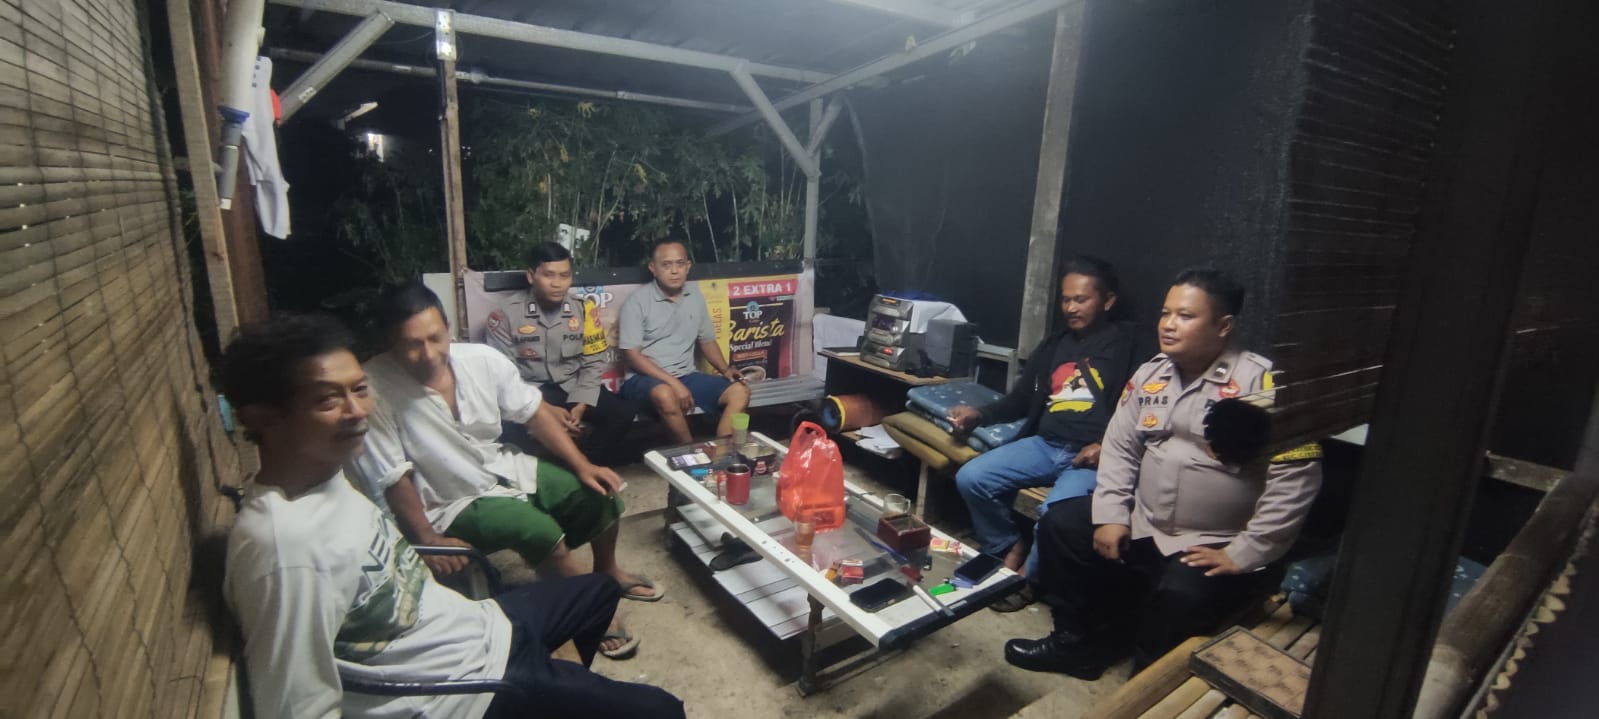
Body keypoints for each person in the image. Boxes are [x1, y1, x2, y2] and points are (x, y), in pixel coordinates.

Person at [219, 314, 684, 719]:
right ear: (263, 418)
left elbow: (531, 412)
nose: (357, 412)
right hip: (463, 689)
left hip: (476, 625)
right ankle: (543, 694)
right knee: (662, 710)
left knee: (599, 591)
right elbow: (297, 704)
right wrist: (427, 533)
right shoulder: (285, 548)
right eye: (327, 400)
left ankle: (556, 694)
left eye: (359, 390)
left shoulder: (325, 475)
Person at [1004, 268, 1323, 678]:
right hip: (1145, 520)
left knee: (1182, 594)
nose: (1168, 325)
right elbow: (1119, 448)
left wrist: (1245, 551)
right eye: (1165, 313)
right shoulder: (1150, 375)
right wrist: (1112, 515)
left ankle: (1146, 678)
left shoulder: (1263, 387)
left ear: (1223, 326)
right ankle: (1075, 644)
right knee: (1062, 524)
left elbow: (1296, 481)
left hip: (1211, 540)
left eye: (1185, 316)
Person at [347, 283, 662, 661]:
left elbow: (534, 412)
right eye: (412, 344)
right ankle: (589, 609)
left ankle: (607, 570)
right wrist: (427, 538)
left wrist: (584, 465)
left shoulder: (480, 359)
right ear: (390, 342)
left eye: (435, 338)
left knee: (598, 493)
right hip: (445, 499)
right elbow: (393, 475)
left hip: (501, 465)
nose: (427, 353)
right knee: (538, 531)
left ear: (448, 328)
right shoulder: (371, 388)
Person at [948, 257, 1138, 611]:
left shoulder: (1130, 345)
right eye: (1066, 300)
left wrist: (1108, 446)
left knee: (1054, 514)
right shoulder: (1054, 346)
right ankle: (1006, 545)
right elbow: (1021, 399)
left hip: (1093, 458)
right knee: (972, 477)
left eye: (1081, 299)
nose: (1071, 308)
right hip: (1045, 445)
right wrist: (980, 415)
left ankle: (1029, 579)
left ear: (1108, 301)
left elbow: (1144, 412)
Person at [485, 242, 636, 461]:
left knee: (621, 414)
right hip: (529, 389)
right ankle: (538, 473)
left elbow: (594, 361)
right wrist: (542, 409)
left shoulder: (584, 309)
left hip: (571, 386)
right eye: (549, 275)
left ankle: (584, 465)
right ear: (531, 276)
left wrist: (581, 403)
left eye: (564, 276)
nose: (557, 283)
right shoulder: (504, 315)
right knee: (509, 428)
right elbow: (503, 376)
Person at [616, 239, 750, 444]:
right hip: (642, 380)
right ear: (653, 268)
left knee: (740, 392)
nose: (674, 271)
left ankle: (722, 453)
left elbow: (707, 341)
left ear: (688, 266)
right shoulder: (636, 301)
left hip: (686, 376)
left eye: (680, 264)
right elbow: (632, 356)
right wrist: (674, 384)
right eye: (666, 265)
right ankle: (691, 454)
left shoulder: (695, 296)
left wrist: (725, 369)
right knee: (665, 394)